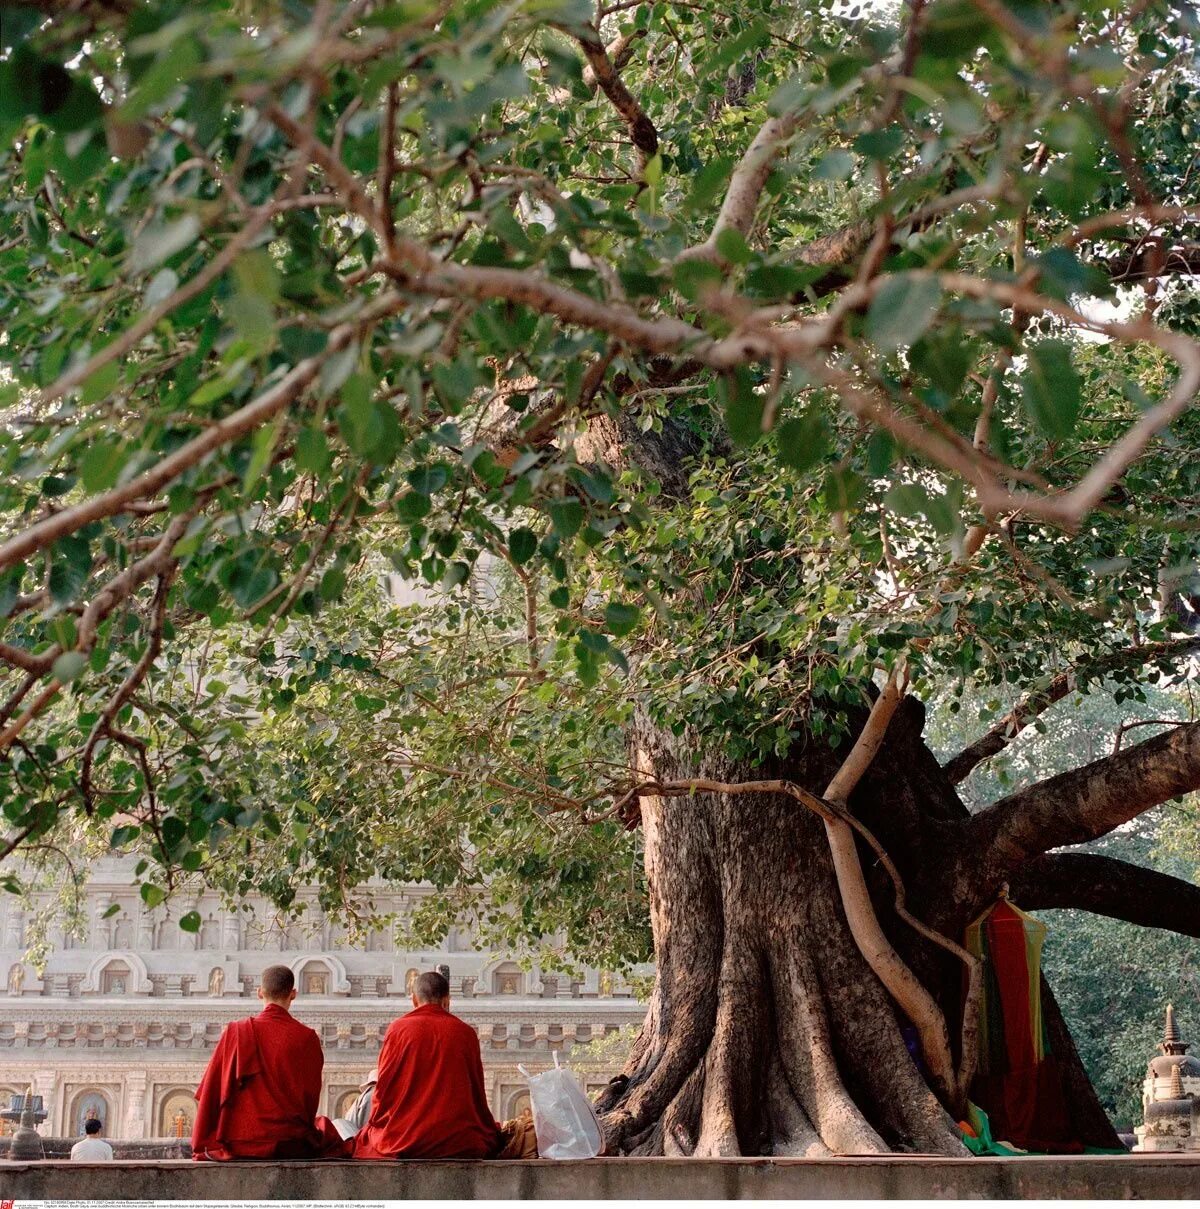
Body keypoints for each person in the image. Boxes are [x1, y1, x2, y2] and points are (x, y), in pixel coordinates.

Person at [191, 964, 348, 1161]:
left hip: (240, 1143)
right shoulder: (307, 1037)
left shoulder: (236, 1032)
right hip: (290, 1143)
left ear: (259, 993)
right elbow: (310, 1099)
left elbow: (212, 1092)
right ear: (293, 994)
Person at [354, 970, 502, 1160]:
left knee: (354, 1131)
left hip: (405, 1141)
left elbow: (383, 1093)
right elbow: (477, 1096)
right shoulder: (466, 1033)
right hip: (460, 1142)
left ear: (414, 1000)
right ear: (447, 1000)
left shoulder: (398, 1030)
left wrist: (378, 1124)